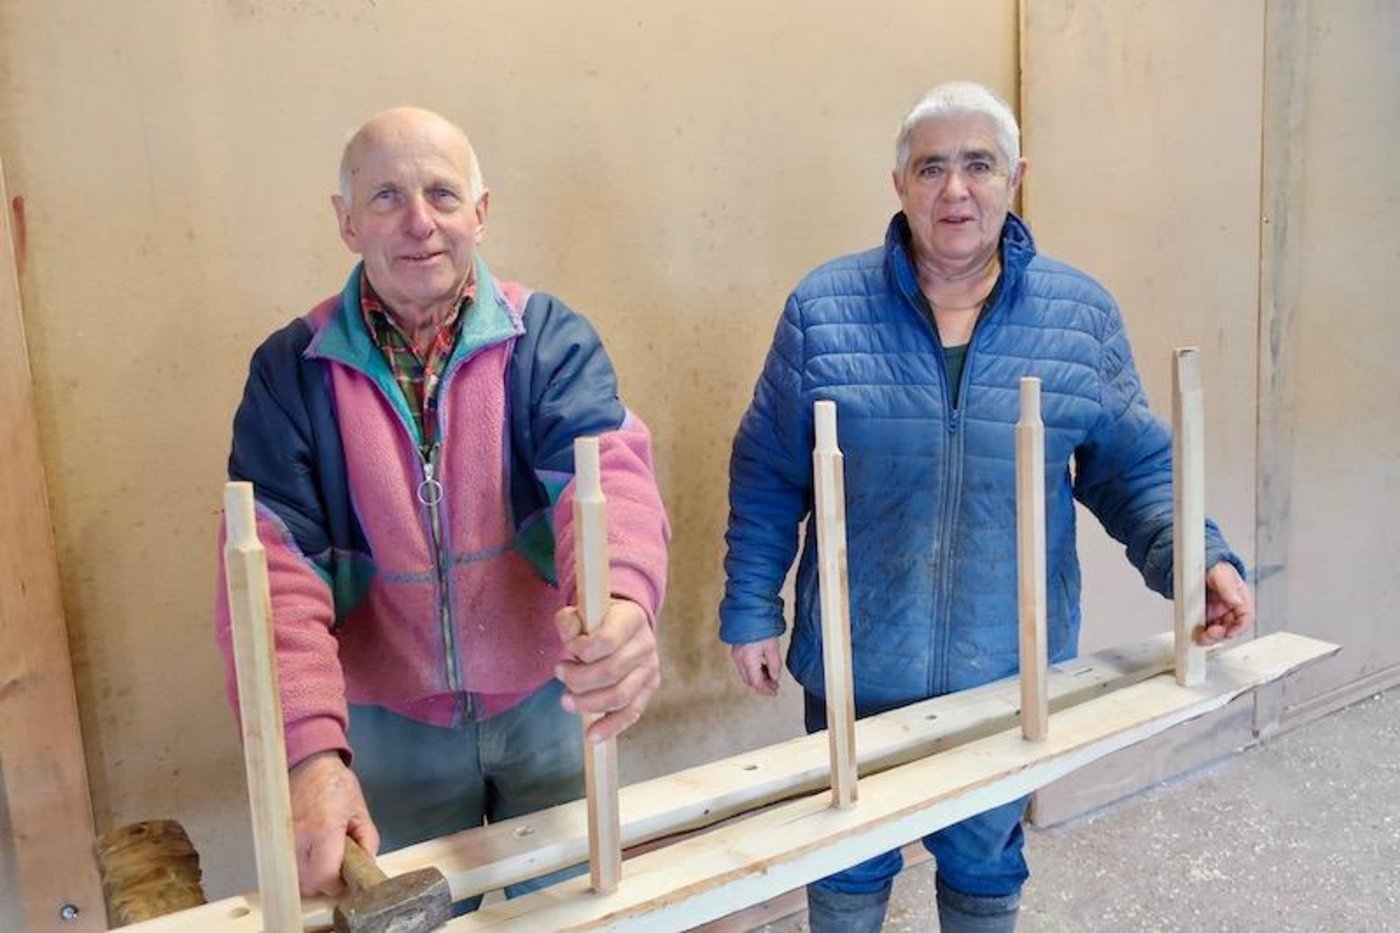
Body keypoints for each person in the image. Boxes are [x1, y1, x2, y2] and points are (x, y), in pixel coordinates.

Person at [719, 81, 1253, 932]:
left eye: (979, 165)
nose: (955, 190)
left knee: (983, 864)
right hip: (860, 666)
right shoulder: (824, 308)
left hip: (1007, 668)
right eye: (931, 167)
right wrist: (752, 606)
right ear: (898, 184)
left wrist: (1199, 561)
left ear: (1015, 178)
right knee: (846, 862)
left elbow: (1131, 468)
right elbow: (767, 470)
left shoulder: (1077, 315)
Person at [215, 106, 670, 906]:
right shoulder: (290, 372)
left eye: (443, 194)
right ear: (347, 222)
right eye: (386, 197)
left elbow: (609, 485)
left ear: (482, 213)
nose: (419, 222)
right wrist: (312, 755)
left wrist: (625, 601)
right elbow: (273, 579)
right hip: (389, 728)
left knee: (571, 909)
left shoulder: (550, 340)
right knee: (416, 918)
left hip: (547, 698)